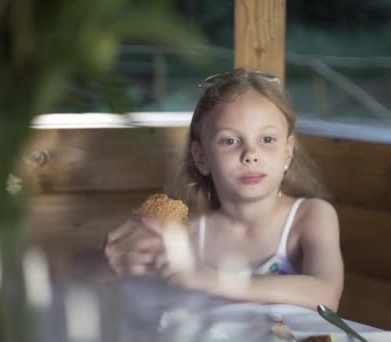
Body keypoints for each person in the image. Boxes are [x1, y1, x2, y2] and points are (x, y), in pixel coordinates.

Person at [104, 69, 344, 311]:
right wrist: (118, 257)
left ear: (288, 151)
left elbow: (327, 295)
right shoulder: (188, 229)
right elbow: (116, 282)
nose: (251, 154)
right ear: (201, 158)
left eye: (267, 139)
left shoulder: (311, 216)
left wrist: (214, 280)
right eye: (230, 141)